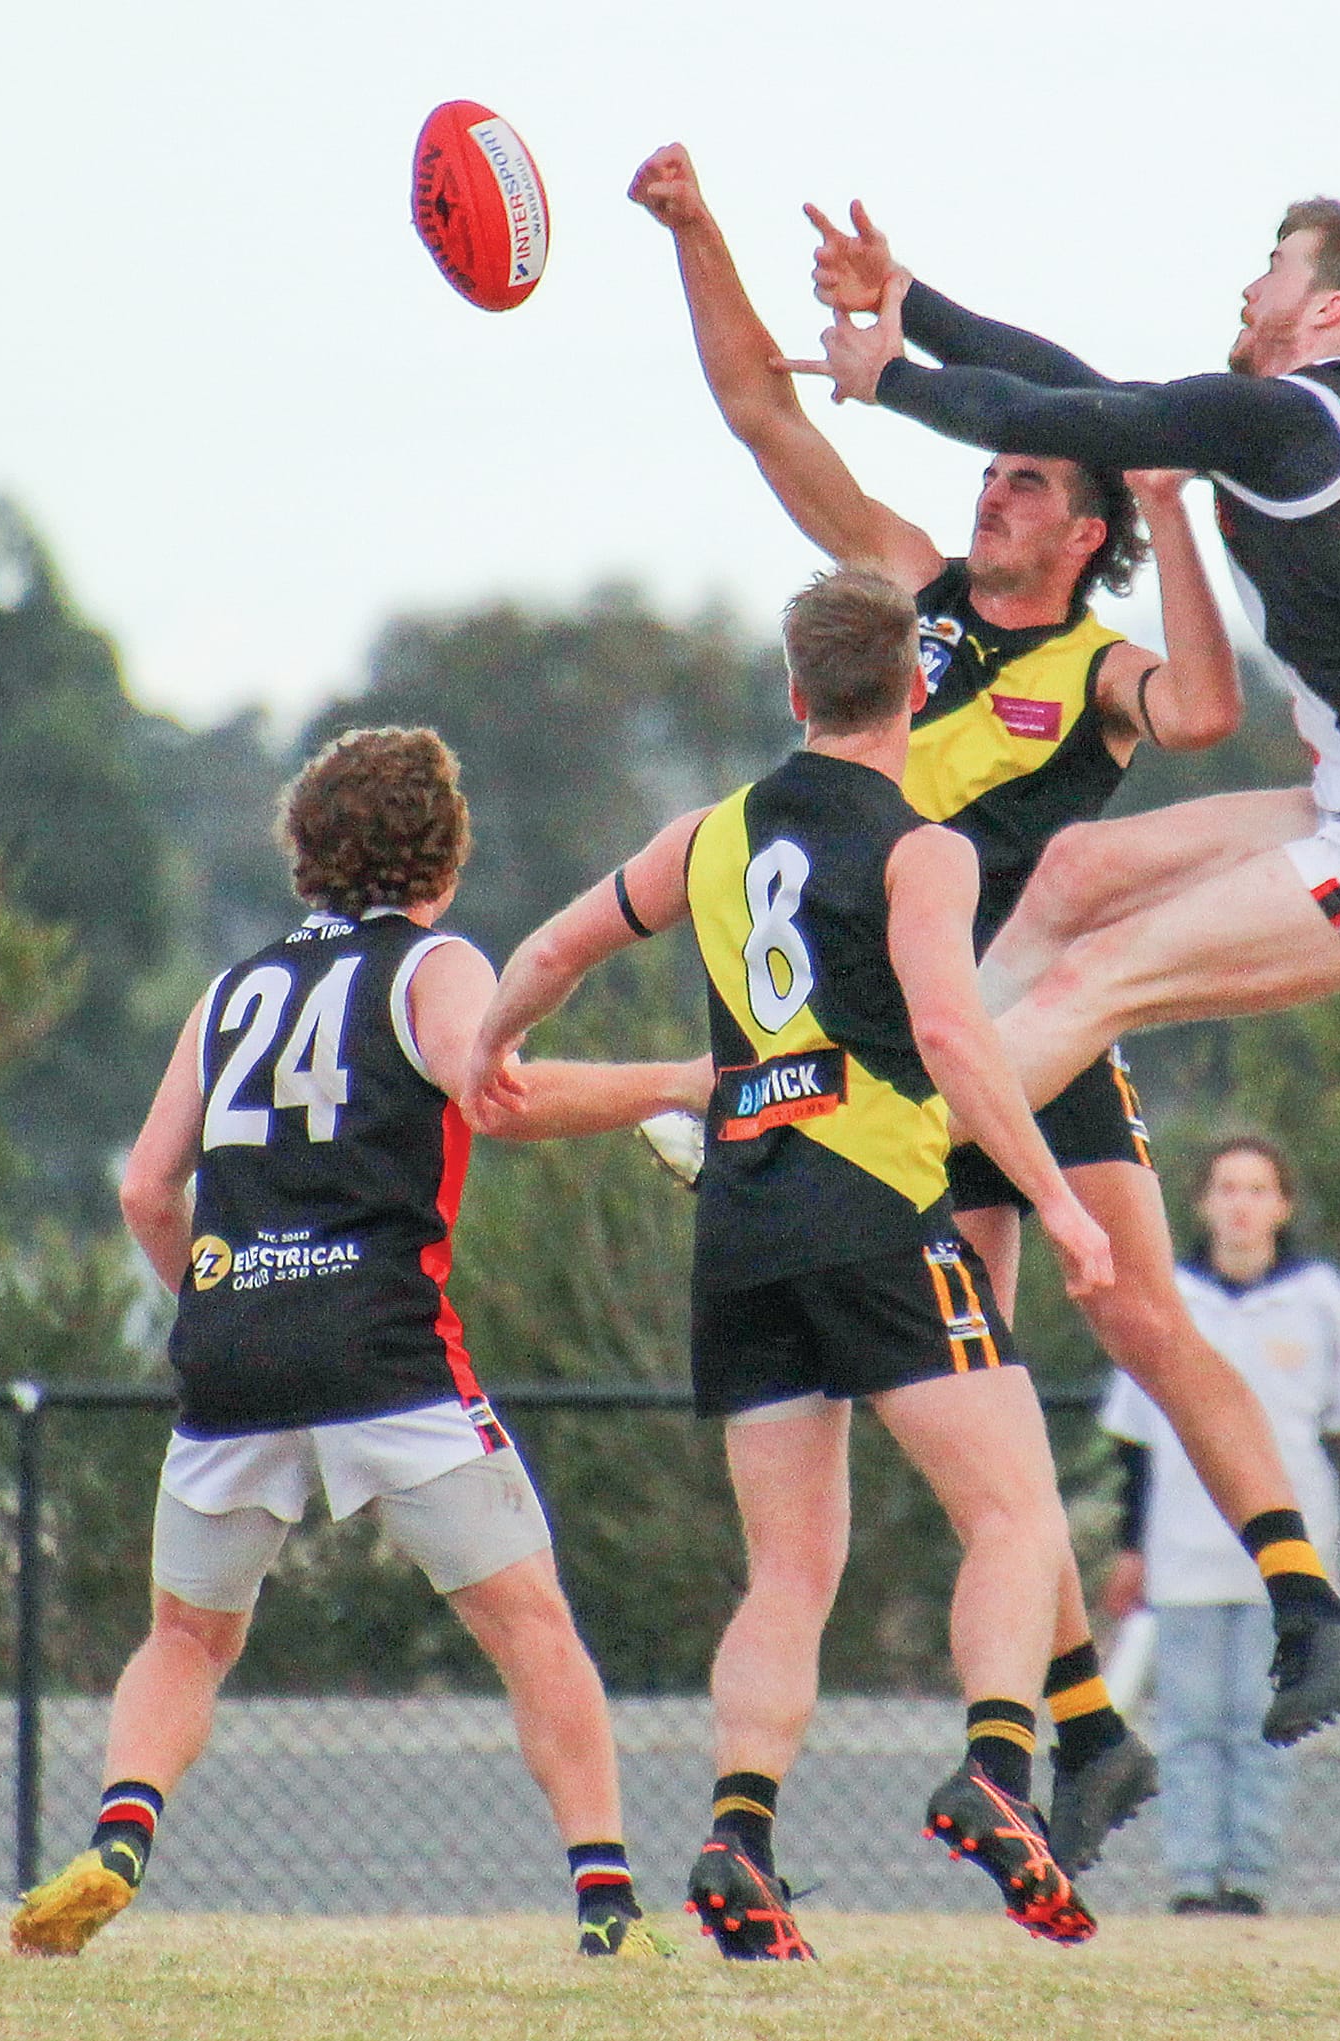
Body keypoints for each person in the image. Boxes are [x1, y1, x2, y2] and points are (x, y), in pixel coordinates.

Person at [628, 144, 1340, 1819]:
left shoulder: (1091, 662)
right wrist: (695, 230)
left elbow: (1199, 711)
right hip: (900, 1064)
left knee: (1130, 1301)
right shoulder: (915, 597)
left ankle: (1307, 1604)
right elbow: (766, 416)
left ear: (1092, 519)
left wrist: (1173, 506)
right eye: (1001, 474)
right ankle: (1087, 1731)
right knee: (977, 1394)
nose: (998, 492)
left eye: (1038, 479)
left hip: (1028, 1028)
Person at [464, 568, 1117, 1960]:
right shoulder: (921, 846)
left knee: (790, 1567)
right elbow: (949, 1033)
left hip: (744, 1220)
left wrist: (488, 1050)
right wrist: (1058, 1202)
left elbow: (554, 947)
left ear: (794, 690)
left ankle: (738, 1836)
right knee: (1015, 1514)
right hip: (872, 1199)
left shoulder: (705, 837)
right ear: (916, 689)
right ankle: (1000, 1773)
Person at [11, 727, 703, 1961]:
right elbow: (501, 1093)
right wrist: (686, 1080)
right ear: (442, 852)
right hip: (381, 1351)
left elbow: (146, 1194)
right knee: (530, 1628)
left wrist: (215, 1303)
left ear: (306, 855)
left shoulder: (233, 990)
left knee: (184, 1638)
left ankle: (120, 1837)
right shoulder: (435, 964)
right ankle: (608, 1909)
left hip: (231, 1351)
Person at [782, 197, 1340, 1112]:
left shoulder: (1296, 422)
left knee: (1099, 975)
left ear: (1326, 309)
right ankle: (907, 1082)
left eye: (1275, 266)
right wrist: (908, 299)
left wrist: (891, 378)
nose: (1249, 287)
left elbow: (1063, 415)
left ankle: (863, 1150)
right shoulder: (1331, 417)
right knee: (1077, 873)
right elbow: (1090, 404)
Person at [1101, 1136, 1340, 1915]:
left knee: (1263, 1719)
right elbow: (1134, 1439)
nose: (1241, 1203)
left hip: (1289, 1554)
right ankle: (1194, 1878)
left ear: (1282, 1204)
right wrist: (1130, 1547)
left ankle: (1248, 1878)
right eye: (1226, 1187)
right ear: (1202, 1202)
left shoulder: (1321, 1299)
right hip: (1186, 1549)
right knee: (1192, 1721)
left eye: (1257, 1188)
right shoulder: (1165, 1294)